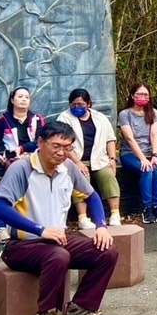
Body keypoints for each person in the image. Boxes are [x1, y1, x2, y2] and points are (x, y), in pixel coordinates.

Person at [0, 122, 118, 315]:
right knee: (59, 255)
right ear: (40, 143)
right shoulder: (22, 168)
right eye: (56, 146)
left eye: (67, 147)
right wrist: (40, 230)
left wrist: (101, 226)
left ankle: (81, 308)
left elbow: (92, 196)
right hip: (22, 245)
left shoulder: (67, 167)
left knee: (107, 251)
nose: (61, 152)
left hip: (58, 239)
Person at [56, 89, 121, 230]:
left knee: (108, 176)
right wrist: (77, 163)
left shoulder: (100, 118)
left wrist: (112, 159)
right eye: (73, 105)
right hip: (75, 159)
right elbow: (65, 144)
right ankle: (83, 218)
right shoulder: (64, 118)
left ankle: (115, 214)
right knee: (81, 178)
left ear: (89, 104)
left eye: (80, 104)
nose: (76, 108)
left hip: (99, 158)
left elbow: (110, 139)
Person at [119, 82, 157, 224]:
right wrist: (142, 159)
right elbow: (130, 138)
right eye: (139, 94)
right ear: (133, 95)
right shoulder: (125, 114)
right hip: (130, 154)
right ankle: (147, 209)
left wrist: (155, 155)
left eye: (146, 94)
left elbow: (154, 135)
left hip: (149, 153)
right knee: (147, 170)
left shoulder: (153, 113)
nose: (143, 97)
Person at [0, 86, 45, 172]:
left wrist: (22, 148)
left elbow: (42, 141)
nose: (24, 100)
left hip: (35, 157)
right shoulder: (3, 121)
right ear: (12, 100)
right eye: (20, 97)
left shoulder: (37, 119)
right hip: (12, 158)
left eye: (27, 97)